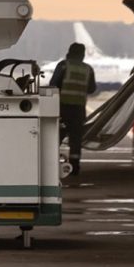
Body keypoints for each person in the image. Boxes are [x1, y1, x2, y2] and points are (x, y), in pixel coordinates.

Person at [50, 41, 96, 177]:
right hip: (79, 110)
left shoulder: (63, 65)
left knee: (55, 137)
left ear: (69, 52)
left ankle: (51, 164)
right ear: (82, 55)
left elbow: (53, 84)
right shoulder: (88, 69)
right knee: (75, 140)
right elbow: (92, 89)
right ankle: (74, 167)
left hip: (62, 109)